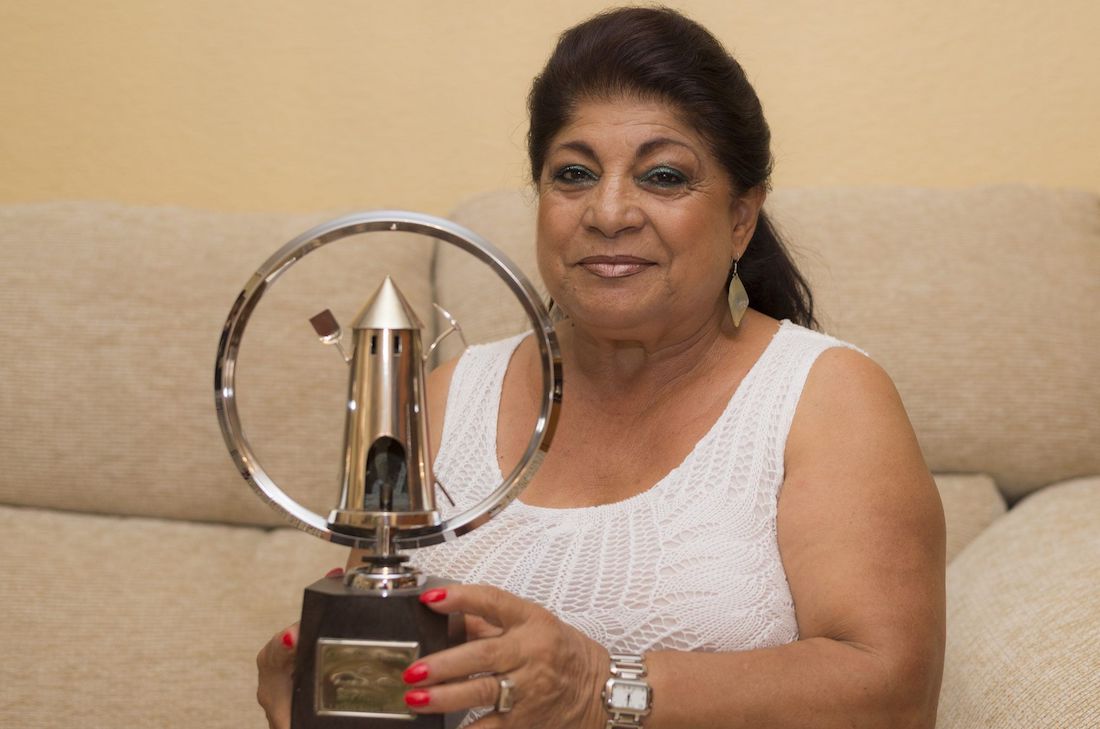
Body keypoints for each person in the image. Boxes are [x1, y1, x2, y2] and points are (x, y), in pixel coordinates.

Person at [256, 7, 945, 728]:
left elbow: (893, 695)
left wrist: (599, 687)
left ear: (741, 219)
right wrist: (320, 697)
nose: (609, 212)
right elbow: (375, 661)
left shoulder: (825, 397)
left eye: (664, 176)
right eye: (575, 174)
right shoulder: (443, 399)